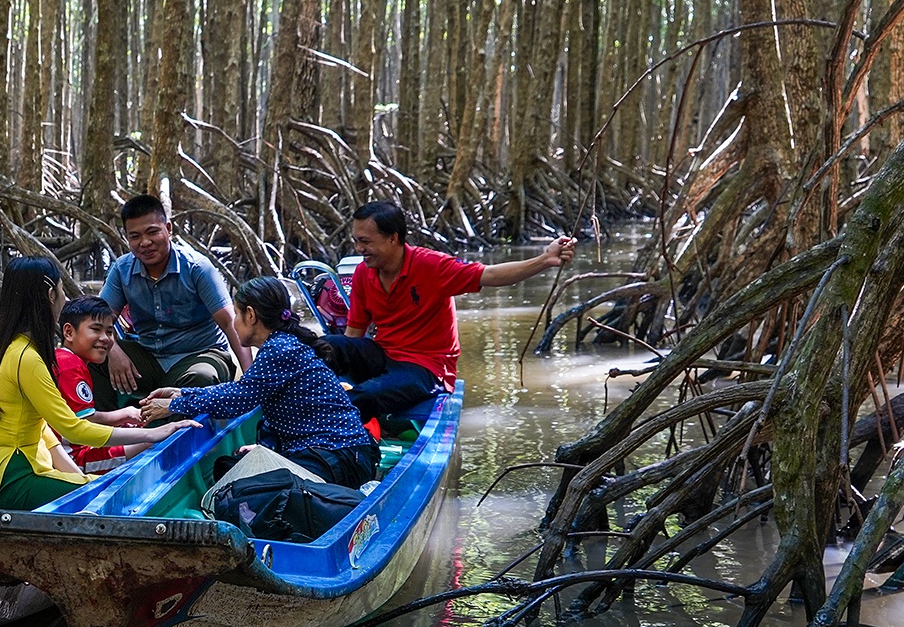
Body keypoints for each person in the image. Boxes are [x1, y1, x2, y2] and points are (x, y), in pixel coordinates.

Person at [0, 256, 198, 509]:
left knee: (99, 488)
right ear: (51, 294)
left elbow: (43, 429)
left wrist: (76, 476)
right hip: (17, 478)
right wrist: (153, 433)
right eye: (62, 291)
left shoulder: (19, 349)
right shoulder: (26, 358)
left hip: (25, 468)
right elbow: (74, 428)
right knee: (117, 498)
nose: (64, 299)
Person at [325, 200, 577, 421]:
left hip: (427, 369)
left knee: (366, 396)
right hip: (383, 354)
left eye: (365, 242)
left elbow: (490, 275)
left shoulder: (432, 265)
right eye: (356, 241)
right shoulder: (362, 272)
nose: (359, 249)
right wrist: (337, 362)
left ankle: (325, 425)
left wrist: (544, 260)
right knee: (324, 344)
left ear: (393, 237)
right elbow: (353, 335)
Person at [140, 277, 382, 488]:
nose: (233, 322)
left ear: (251, 315)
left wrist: (174, 406)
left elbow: (237, 399)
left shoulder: (279, 349)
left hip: (339, 459)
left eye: (237, 314)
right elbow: (241, 389)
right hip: (337, 455)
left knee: (236, 487)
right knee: (228, 468)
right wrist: (183, 393)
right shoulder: (282, 344)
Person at [89, 193, 252, 409]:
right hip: (149, 357)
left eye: (153, 232)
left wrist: (252, 382)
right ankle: (108, 431)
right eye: (135, 236)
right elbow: (98, 321)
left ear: (169, 228)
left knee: (202, 377)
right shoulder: (121, 269)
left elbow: (229, 323)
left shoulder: (197, 268)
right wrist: (114, 350)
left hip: (200, 355)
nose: (145, 242)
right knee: (93, 357)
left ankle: (174, 433)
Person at [53, 295, 141, 470]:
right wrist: (126, 414)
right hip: (74, 459)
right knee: (151, 442)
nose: (105, 338)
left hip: (76, 449)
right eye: (96, 329)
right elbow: (86, 421)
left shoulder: (65, 359)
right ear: (69, 332)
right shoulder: (69, 365)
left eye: (109, 332)